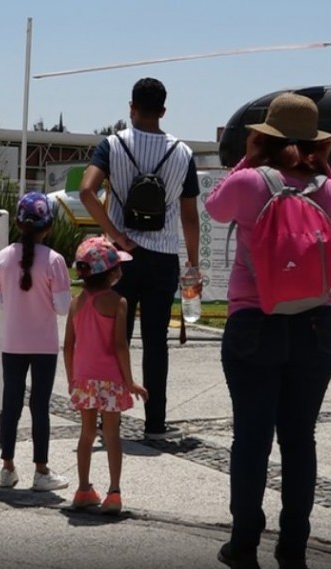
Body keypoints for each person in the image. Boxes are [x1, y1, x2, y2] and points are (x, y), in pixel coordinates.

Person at [204, 93, 331, 569]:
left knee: (251, 438)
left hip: (254, 322)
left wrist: (248, 157)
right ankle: (293, 548)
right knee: (299, 438)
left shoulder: (249, 182)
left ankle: (243, 544)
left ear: (264, 137)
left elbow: (214, 208)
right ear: (316, 143)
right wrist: (324, 168)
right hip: (315, 324)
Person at [79, 77, 200, 440]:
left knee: (115, 335)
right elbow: (190, 216)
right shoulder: (182, 152)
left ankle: (107, 416)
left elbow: (86, 191)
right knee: (155, 342)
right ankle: (155, 424)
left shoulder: (112, 145)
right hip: (163, 257)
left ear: (130, 107)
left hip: (120, 257)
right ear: (163, 110)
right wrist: (192, 265)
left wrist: (115, 236)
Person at [0, 192, 72, 492]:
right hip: (44, 345)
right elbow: (63, 307)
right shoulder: (55, 261)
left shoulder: (2, 258)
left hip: (12, 343)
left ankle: (7, 467)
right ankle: (41, 470)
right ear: (48, 227)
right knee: (40, 406)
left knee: (10, 405)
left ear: (17, 222)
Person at [63, 237, 148, 514]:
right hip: (111, 379)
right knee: (112, 434)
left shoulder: (75, 303)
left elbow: (68, 346)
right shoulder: (118, 302)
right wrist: (130, 380)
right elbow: (120, 345)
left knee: (86, 433)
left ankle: (83, 488)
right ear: (109, 273)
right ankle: (114, 492)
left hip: (84, 379)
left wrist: (71, 379)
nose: (120, 272)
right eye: (117, 268)